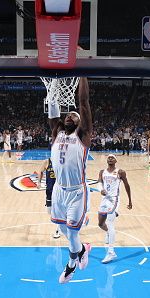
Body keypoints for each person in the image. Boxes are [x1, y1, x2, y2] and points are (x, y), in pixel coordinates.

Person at [48, 75, 92, 284]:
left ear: (80, 122)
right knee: (64, 230)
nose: (69, 117)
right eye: (67, 116)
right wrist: (53, 86)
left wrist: (82, 72)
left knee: (73, 235)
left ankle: (71, 266)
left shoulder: (83, 135)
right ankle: (83, 249)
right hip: (58, 190)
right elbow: (53, 111)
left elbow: (83, 102)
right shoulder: (56, 133)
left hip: (76, 191)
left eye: (74, 117)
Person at [97, 154, 132, 263]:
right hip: (104, 199)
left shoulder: (120, 172)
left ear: (116, 160)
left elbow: (127, 185)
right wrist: (100, 190)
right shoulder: (102, 171)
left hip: (114, 200)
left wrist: (130, 200)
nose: (110, 158)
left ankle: (111, 252)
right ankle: (107, 232)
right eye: (109, 157)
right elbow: (99, 183)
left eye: (113, 157)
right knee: (100, 224)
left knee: (110, 223)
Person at [36, 157, 61, 239]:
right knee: (50, 212)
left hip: (59, 191)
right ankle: (63, 222)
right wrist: (39, 182)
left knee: (58, 211)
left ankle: (58, 230)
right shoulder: (47, 162)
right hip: (49, 190)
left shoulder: (61, 161)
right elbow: (40, 171)